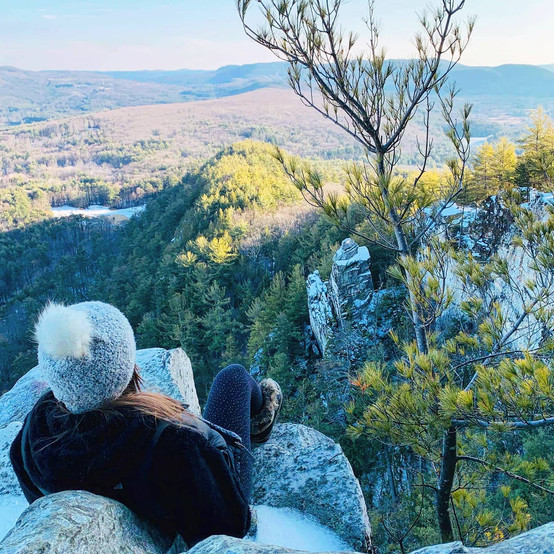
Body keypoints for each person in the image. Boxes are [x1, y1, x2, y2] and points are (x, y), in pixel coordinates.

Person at [9, 301, 283, 547]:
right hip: (211, 490)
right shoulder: (173, 443)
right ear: (126, 367)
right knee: (233, 378)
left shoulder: (31, 441)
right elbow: (230, 527)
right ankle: (260, 419)